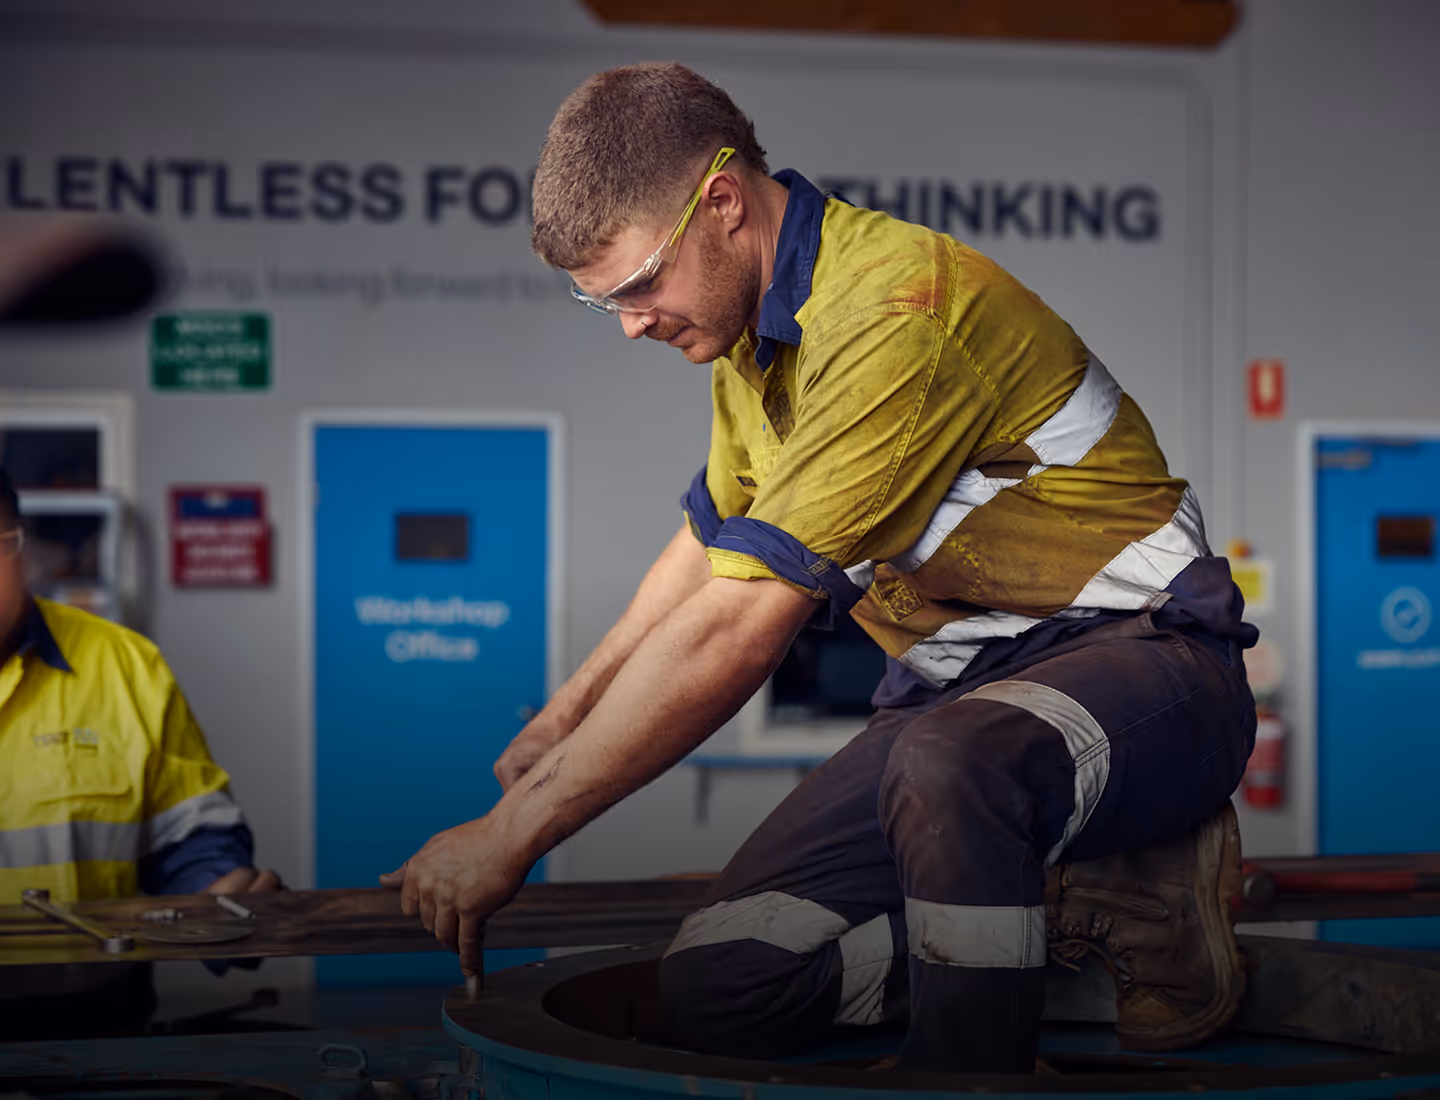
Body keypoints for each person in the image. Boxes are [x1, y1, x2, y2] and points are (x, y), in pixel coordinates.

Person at [385, 63, 1258, 1074]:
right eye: (602, 304)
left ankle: (968, 1078)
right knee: (722, 983)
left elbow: (738, 625)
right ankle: (1070, 915)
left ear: (722, 202)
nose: (630, 323)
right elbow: (713, 551)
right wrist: (566, 717)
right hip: (956, 695)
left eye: (634, 287)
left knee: (956, 758)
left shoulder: (894, 314)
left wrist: (513, 831)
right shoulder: (754, 336)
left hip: (1149, 666)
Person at [0, 223, 280, 1035]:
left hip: (99, 1030)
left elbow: (188, 833)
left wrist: (220, 891)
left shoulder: (121, 664)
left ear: (25, 544)